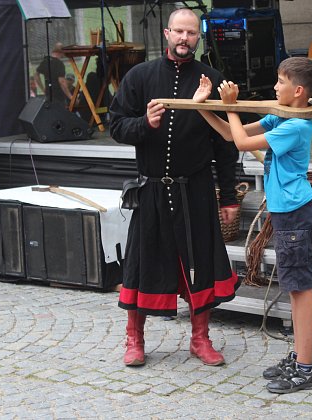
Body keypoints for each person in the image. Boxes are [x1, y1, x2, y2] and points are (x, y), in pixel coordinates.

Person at [109, 8, 241, 367]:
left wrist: (228, 196)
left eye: (192, 33)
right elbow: (116, 125)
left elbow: (225, 145)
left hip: (196, 189)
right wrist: (144, 124)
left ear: (199, 37)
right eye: (179, 32)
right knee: (142, 262)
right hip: (152, 189)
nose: (185, 39)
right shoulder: (140, 76)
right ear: (167, 33)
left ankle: (201, 339)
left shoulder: (211, 78)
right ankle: (133, 339)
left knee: (203, 262)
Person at [193, 57, 312, 393]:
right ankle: (299, 357)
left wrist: (231, 107)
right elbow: (227, 133)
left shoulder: (296, 125)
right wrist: (204, 108)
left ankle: (306, 369)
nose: (274, 87)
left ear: (297, 91)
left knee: (300, 287)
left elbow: (240, 142)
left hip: (295, 212)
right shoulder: (283, 114)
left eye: (280, 82)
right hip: (286, 211)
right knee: (294, 287)